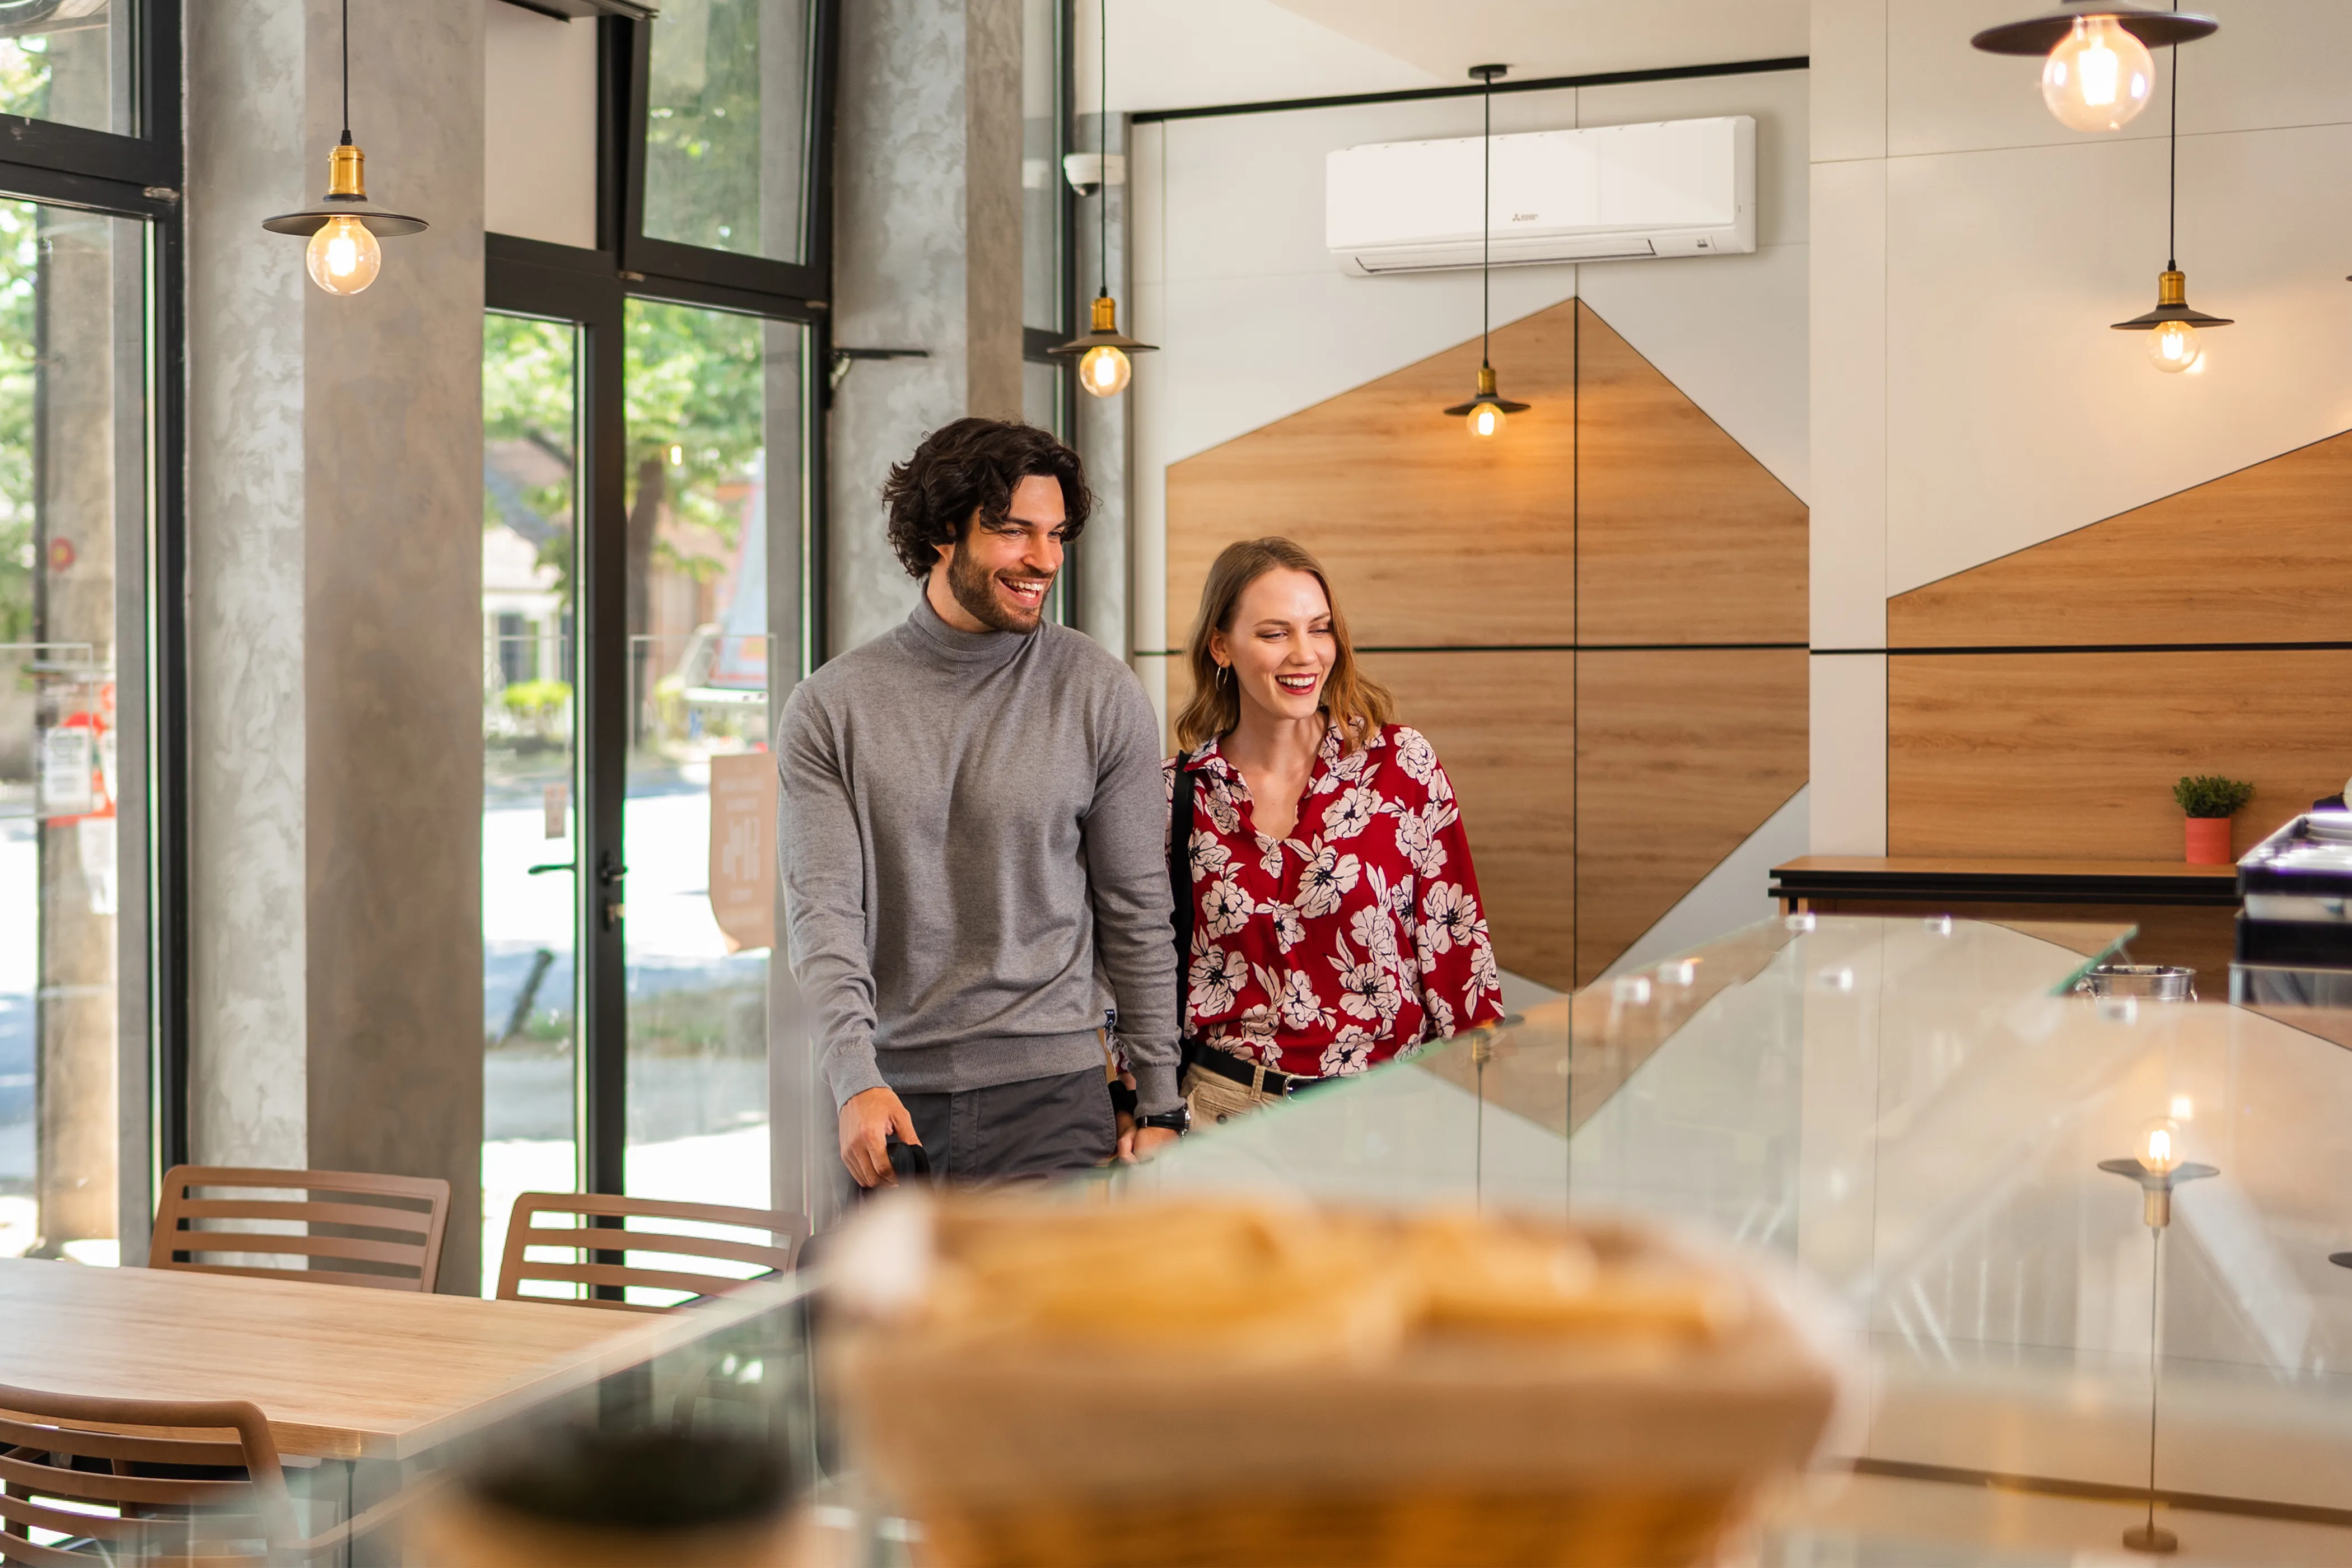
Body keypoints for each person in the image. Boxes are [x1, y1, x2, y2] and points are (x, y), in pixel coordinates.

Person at [776, 418, 1187, 1190]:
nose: (1045, 560)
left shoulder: (1099, 693)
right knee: (877, 1317)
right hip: (887, 1103)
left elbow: (1136, 908)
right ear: (942, 532)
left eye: (1057, 534)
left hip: (1055, 1101)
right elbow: (823, 916)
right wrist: (853, 1077)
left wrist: (1162, 1104)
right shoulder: (831, 708)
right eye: (1014, 532)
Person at [1161, 536, 1505, 1127]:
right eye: (1275, 633)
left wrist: (1485, 1106)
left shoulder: (1401, 766)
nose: (1305, 654)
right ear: (1221, 646)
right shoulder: (1176, 794)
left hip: (1387, 1117)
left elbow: (1459, 954)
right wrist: (1145, 1112)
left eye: (1318, 629)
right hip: (1225, 1116)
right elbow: (1139, 968)